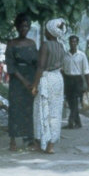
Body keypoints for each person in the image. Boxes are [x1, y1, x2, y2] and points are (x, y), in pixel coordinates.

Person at [31, 18, 66, 154]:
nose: (45, 32)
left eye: (46, 30)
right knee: (55, 112)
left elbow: (40, 67)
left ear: (50, 31)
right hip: (58, 79)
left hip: (47, 79)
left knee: (42, 110)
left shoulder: (45, 45)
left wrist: (34, 86)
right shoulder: (62, 46)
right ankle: (51, 145)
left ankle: (40, 143)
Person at [6, 13, 37, 151]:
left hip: (31, 78)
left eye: (27, 26)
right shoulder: (12, 44)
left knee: (30, 109)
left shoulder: (32, 43)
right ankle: (13, 140)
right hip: (17, 81)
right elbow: (11, 66)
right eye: (22, 26)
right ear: (17, 27)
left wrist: (35, 82)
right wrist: (24, 81)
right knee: (15, 109)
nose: (24, 29)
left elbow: (37, 63)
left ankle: (29, 138)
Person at [63, 35, 89, 129]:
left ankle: (70, 121)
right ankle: (78, 122)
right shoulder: (65, 55)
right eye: (71, 42)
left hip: (77, 80)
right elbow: (62, 69)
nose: (73, 43)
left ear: (77, 43)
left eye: (75, 42)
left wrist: (88, 85)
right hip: (67, 79)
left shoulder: (81, 55)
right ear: (69, 43)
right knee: (70, 101)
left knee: (75, 101)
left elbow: (86, 70)